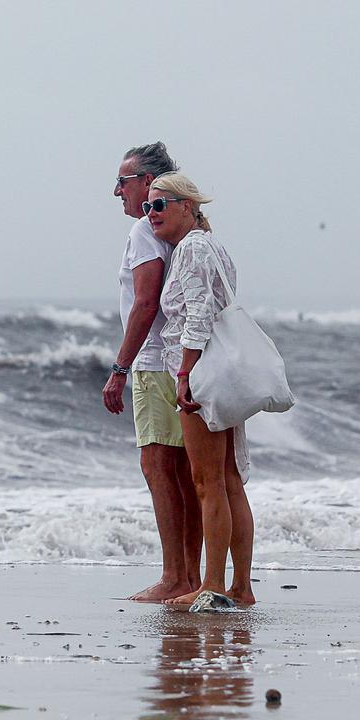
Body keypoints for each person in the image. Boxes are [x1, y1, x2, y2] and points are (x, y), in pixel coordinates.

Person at [145, 172, 256, 611]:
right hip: (223, 371)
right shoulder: (212, 246)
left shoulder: (191, 248)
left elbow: (198, 313)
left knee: (207, 481)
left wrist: (185, 372)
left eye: (160, 204)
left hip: (204, 372)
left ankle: (211, 586)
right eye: (149, 206)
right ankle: (239, 588)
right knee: (227, 480)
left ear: (187, 206)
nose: (151, 213)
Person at [103, 142, 202, 602]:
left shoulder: (145, 230)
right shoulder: (178, 228)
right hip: (179, 358)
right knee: (184, 474)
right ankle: (192, 577)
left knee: (158, 468)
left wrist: (120, 367)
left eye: (122, 182)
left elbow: (145, 302)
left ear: (146, 183)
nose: (115, 191)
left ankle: (174, 578)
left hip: (152, 362)